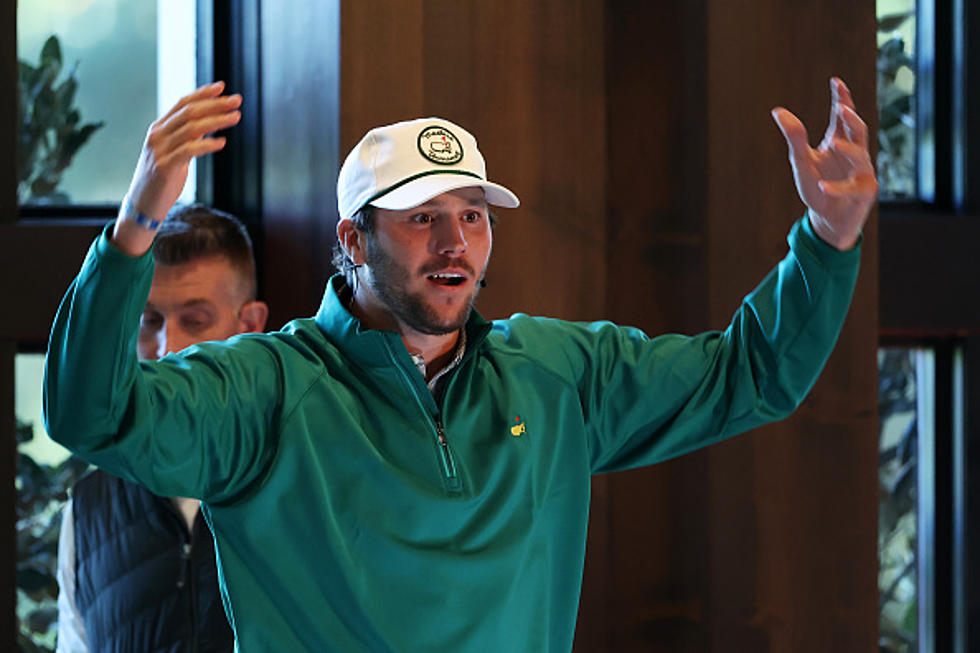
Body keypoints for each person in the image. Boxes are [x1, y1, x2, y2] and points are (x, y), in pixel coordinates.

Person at [44, 78, 876, 651]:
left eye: (473, 214)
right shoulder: (268, 386)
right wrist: (135, 224)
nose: (455, 243)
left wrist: (829, 242)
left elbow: (752, 374)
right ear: (352, 240)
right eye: (421, 217)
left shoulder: (556, 373)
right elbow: (93, 413)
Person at [54, 204, 268, 653]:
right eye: (149, 321)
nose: (168, 348)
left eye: (194, 321)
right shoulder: (89, 505)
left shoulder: (300, 479)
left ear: (248, 326)